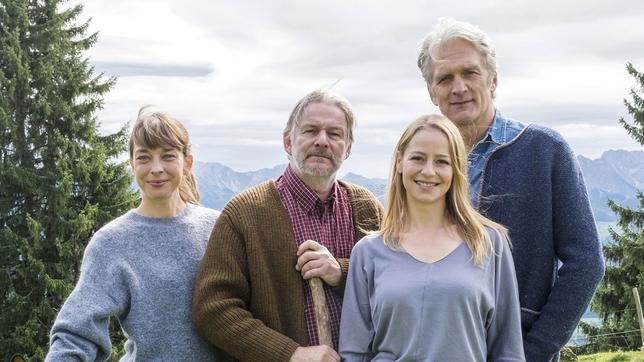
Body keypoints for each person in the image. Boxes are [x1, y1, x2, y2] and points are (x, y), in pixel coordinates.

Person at [417, 19, 605, 361]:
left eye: (470, 73)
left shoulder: (544, 150)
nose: (458, 87)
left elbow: (587, 262)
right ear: (432, 92)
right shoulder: (422, 166)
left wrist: (532, 352)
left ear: (493, 80)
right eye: (445, 78)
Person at [192, 89, 383, 362]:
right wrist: (290, 354)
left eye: (335, 134)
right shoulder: (244, 213)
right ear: (287, 142)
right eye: (310, 131)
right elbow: (213, 310)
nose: (322, 141)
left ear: (348, 148)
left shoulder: (366, 207)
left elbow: (396, 282)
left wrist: (341, 272)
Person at [45, 107, 227, 361]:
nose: (156, 168)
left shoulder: (218, 227)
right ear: (132, 165)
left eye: (167, 156)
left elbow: (259, 302)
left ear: (187, 163)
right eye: (144, 157)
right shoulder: (111, 243)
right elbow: (77, 332)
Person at [339, 114, 524, 361]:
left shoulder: (489, 243)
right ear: (399, 162)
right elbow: (353, 352)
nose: (428, 171)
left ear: (456, 169)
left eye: (441, 161)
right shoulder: (368, 251)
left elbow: (508, 351)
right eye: (418, 158)